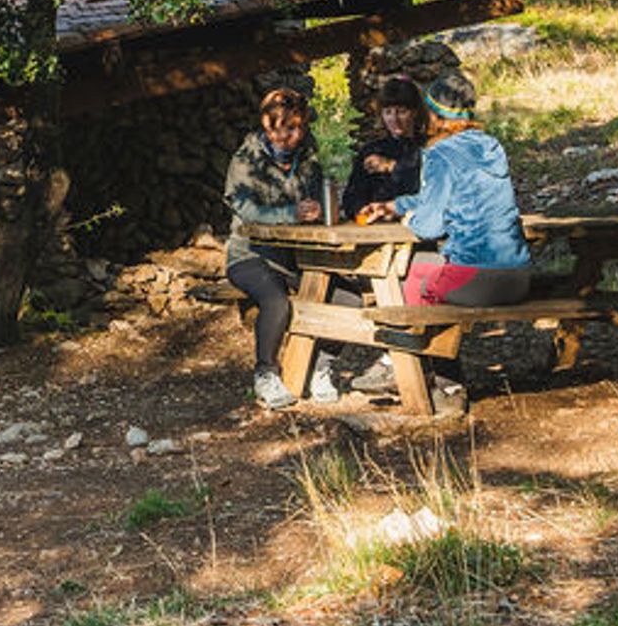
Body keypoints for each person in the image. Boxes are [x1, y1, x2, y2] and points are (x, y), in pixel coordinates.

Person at [371, 68, 531, 306]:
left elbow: (428, 227)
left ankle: (406, 341)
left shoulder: (441, 155)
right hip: (519, 276)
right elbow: (458, 195)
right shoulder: (492, 147)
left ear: (432, 114)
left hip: (478, 278)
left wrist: (411, 220)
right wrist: (398, 205)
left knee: (413, 275)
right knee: (431, 265)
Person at [224, 86, 335, 409]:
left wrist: (317, 210)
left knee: (346, 296)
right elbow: (246, 211)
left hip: (296, 256)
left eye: (292, 127)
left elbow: (315, 192)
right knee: (276, 301)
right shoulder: (246, 160)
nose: (282, 135)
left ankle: (321, 366)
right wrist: (290, 214)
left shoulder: (308, 156)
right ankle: (266, 374)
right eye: (275, 127)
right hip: (250, 255)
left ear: (303, 126)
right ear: (264, 124)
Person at [340, 75, 425, 221]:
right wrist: (360, 209)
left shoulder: (427, 149)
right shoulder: (371, 150)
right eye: (388, 112)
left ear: (415, 112)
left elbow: (428, 190)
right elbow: (351, 196)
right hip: (374, 232)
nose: (394, 119)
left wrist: (392, 167)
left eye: (401, 111)